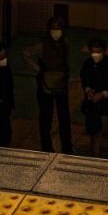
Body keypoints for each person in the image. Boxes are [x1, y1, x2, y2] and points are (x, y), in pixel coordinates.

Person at [27, 16, 73, 153]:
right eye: (53, 28)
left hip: (60, 83)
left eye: (58, 28)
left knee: (63, 116)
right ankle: (47, 145)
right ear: (48, 30)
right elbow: (26, 53)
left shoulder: (65, 43)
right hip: (46, 84)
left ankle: (66, 146)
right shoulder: (42, 45)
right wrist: (38, 69)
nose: (56, 31)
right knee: (47, 116)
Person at [80, 37, 108, 159]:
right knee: (96, 132)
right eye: (93, 51)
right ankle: (96, 156)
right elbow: (84, 79)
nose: (95, 54)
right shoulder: (88, 64)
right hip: (96, 104)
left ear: (104, 51)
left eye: (98, 51)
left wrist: (103, 94)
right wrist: (88, 90)